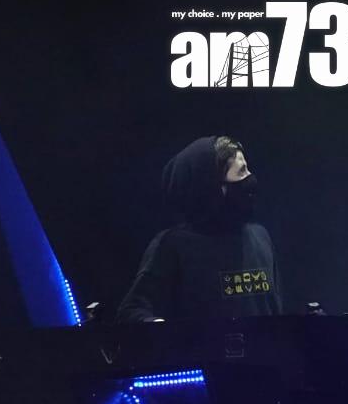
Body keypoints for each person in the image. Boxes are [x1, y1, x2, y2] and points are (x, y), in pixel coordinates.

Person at [112, 135, 284, 323]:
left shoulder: (259, 236)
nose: (250, 179)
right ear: (213, 188)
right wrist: (161, 329)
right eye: (241, 172)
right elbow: (132, 310)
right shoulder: (173, 246)